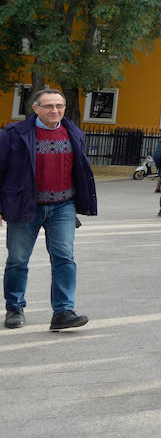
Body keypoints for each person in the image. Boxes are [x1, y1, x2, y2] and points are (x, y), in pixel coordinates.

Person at [1, 89, 97, 330]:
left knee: (64, 258)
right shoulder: (14, 134)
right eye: (48, 106)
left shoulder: (73, 132)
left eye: (59, 106)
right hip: (25, 206)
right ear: (35, 108)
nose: (55, 110)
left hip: (63, 206)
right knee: (18, 259)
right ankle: (14, 307)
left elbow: (80, 170)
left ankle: (63, 312)